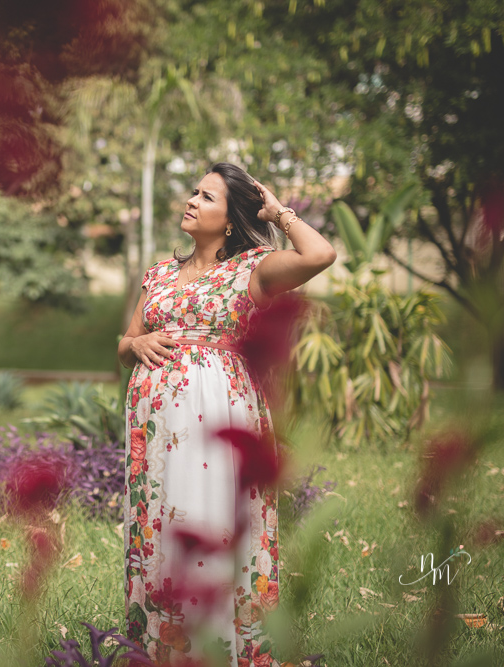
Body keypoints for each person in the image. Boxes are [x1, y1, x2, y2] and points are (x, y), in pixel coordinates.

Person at [117, 162, 336, 666]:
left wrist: (277, 211)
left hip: (217, 415)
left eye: (207, 196)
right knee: (162, 524)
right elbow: (126, 344)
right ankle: (163, 648)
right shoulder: (159, 274)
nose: (192, 200)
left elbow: (321, 253)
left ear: (232, 219)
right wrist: (137, 341)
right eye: (193, 191)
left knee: (208, 522)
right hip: (155, 424)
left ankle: (216, 648)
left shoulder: (254, 268)